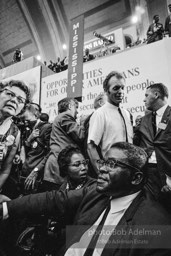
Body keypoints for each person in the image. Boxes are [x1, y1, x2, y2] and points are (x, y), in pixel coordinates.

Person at [0, 142, 171, 256]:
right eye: (103, 162)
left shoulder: (155, 224)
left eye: (112, 164)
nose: (101, 169)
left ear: (136, 178)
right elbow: (54, 199)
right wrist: (7, 208)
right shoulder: (96, 193)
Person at [87, 71, 133, 175]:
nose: (120, 91)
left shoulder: (126, 113)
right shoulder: (100, 113)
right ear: (106, 90)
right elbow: (91, 147)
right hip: (112, 170)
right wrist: (101, 172)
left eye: (122, 87)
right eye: (116, 88)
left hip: (129, 170)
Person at [133, 83, 171, 199]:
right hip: (148, 174)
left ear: (156, 95)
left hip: (167, 172)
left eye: (146, 95)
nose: (144, 100)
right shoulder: (144, 121)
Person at [42, 97, 85, 191]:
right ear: (70, 106)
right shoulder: (66, 116)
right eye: (76, 108)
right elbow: (80, 136)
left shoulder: (58, 118)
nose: (77, 112)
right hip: (59, 165)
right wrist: (82, 123)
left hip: (53, 166)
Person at [0, 80, 30, 190]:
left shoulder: (15, 132)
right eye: (10, 94)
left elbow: (5, 170)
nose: (14, 100)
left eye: (20, 100)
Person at [19, 104, 52, 193]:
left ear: (34, 113)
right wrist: (29, 140)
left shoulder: (46, 128)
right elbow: (26, 149)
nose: (25, 122)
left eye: (27, 119)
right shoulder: (26, 128)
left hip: (36, 174)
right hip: (25, 171)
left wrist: (36, 170)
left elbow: (50, 152)